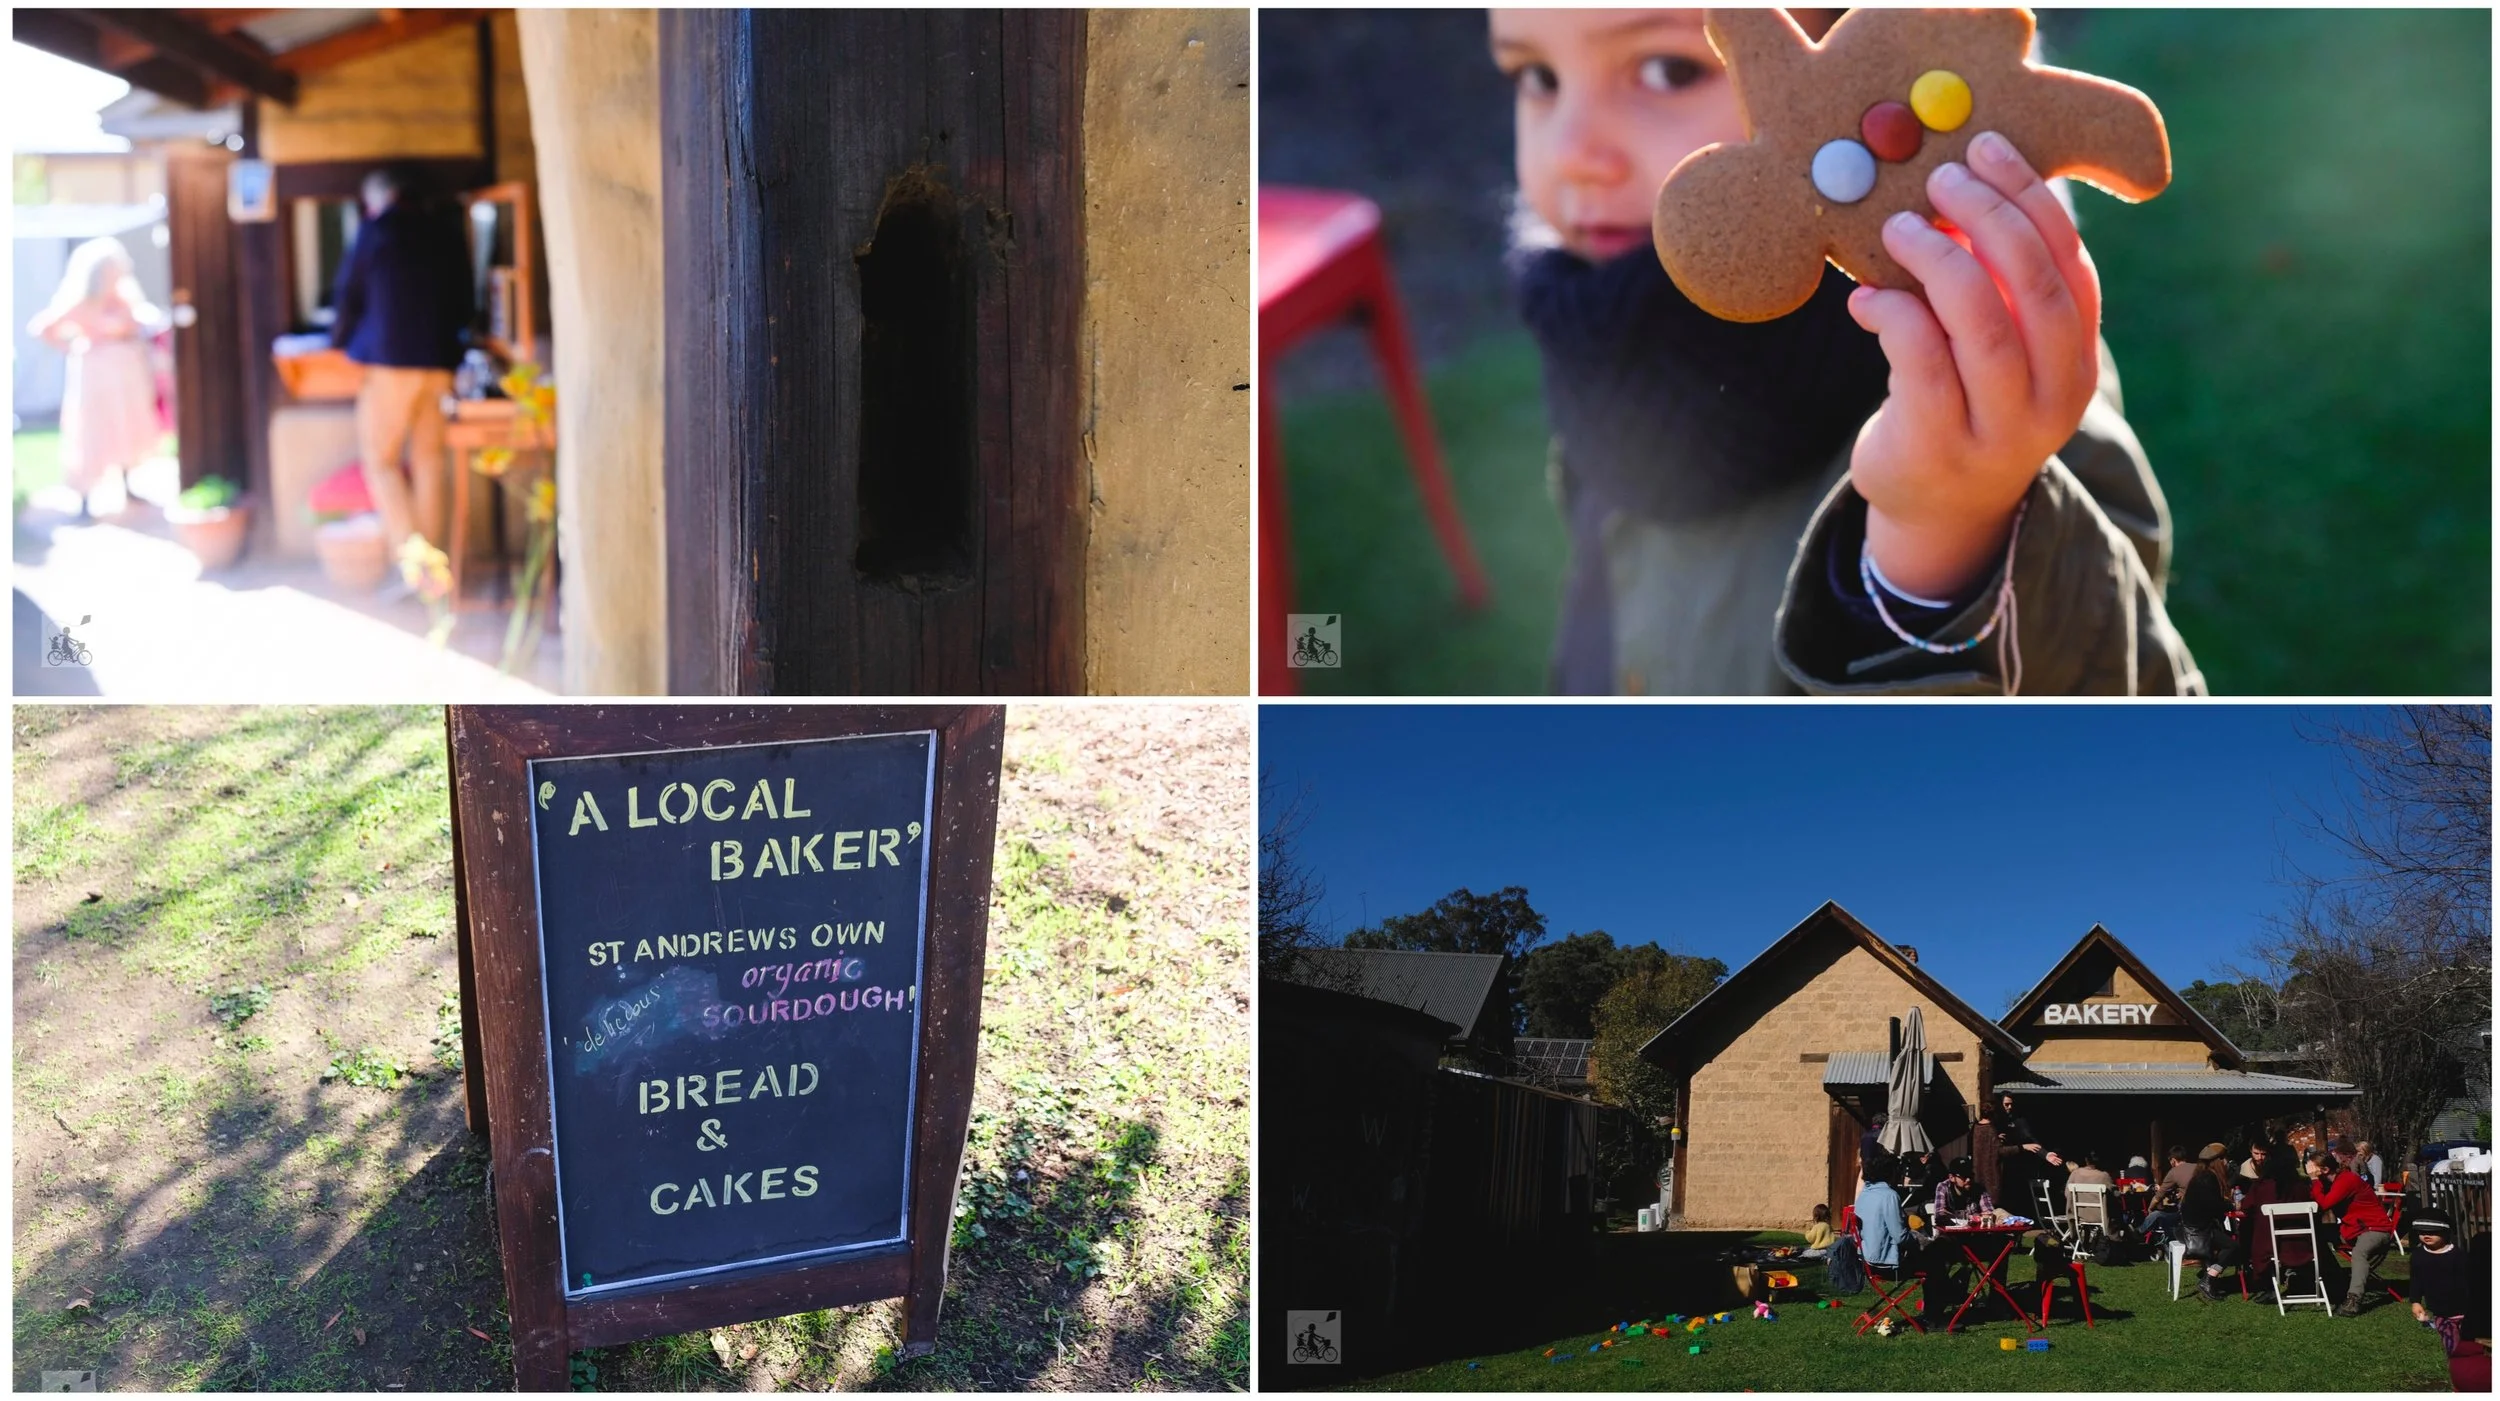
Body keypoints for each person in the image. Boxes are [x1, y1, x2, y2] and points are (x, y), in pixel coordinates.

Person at [1488, 7, 2201, 695]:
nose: (1573, 153)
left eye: (1670, 70)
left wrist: (1946, 543)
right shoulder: (1608, 350)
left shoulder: (1996, 399)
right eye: (1537, 77)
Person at [332, 161, 475, 577]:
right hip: (439, 363)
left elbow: (349, 294)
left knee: (381, 462)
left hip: (390, 364)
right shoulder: (444, 231)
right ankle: (437, 567)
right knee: (431, 461)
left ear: (378, 198)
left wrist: (338, 342)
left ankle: (416, 567)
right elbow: (465, 300)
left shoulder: (374, 231)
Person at [26, 236, 165, 519]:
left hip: (126, 377)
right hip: (96, 379)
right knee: (94, 432)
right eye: (111, 269)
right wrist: (74, 347)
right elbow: (42, 328)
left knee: (126, 427)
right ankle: (85, 498)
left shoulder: (125, 300)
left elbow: (138, 325)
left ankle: (127, 486)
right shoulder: (83, 302)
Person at [2306, 1146, 2397, 1316]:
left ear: (2325, 1169)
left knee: (2359, 1253)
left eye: (2313, 1167)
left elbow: (2325, 1204)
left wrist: (2314, 1180)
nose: (2309, 1170)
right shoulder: (2331, 1182)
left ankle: (2354, 1299)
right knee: (2315, 1235)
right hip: (2353, 1229)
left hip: (2375, 1229)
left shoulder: (2346, 1180)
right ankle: (2335, 1279)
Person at [2240, 1143, 2314, 1305]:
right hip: (2301, 1242)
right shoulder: (2301, 1186)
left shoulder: (2262, 1186)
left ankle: (2268, 1286)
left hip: (2268, 1245)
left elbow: (2246, 1206)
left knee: (2250, 1231)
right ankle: (2299, 1278)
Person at [2405, 1209, 2486, 1357]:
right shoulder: (2418, 1257)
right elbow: (2416, 1280)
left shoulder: (2459, 1256)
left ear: (2445, 1232)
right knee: (2451, 1345)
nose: (2426, 1235)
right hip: (2440, 1312)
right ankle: (2458, 1364)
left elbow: (2471, 1281)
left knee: (2473, 1342)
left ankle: (2476, 1362)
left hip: (2465, 1309)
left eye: (2433, 1232)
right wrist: (2415, 1301)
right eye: (2421, 1232)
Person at [1855, 1148, 1910, 1271]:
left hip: (1864, 1258)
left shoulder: (1865, 1193)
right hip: (1885, 1261)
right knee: (1935, 1257)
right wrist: (1916, 1240)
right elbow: (1900, 1236)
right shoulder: (1889, 1196)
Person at [2141, 1144, 2197, 1245]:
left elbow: (2158, 1197)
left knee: (2155, 1215)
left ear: (2173, 1160)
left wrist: (2150, 1208)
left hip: (2185, 1213)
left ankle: (2138, 1233)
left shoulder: (2174, 1172)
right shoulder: (2198, 1168)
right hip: (2201, 1210)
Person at [1933, 1155, 1993, 1222]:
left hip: (1974, 1230)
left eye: (1970, 1175)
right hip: (1952, 1230)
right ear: (1951, 1177)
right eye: (1964, 1176)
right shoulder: (1943, 1187)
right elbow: (1940, 1214)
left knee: (2000, 1213)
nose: (1968, 1179)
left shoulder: (1979, 1189)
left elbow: (1989, 1213)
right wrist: (1972, 1217)